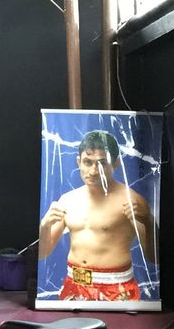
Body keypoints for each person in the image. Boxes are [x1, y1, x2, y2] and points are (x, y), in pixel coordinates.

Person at [37, 129, 155, 301]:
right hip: (75, 286)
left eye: (102, 163)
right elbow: (43, 253)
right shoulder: (67, 200)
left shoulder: (130, 201)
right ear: (79, 162)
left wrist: (149, 222)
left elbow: (153, 258)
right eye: (87, 162)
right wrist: (44, 226)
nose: (93, 171)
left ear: (116, 164)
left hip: (117, 290)